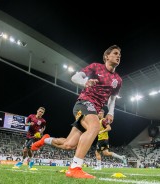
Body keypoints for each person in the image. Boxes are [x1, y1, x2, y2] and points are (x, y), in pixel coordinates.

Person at [31, 45, 122, 179]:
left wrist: (111, 113)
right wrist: (86, 82)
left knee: (69, 145)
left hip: (93, 110)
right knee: (95, 126)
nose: (118, 56)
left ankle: (45, 140)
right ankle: (75, 168)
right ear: (107, 56)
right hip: (84, 103)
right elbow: (75, 77)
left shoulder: (118, 80)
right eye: (115, 53)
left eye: (120, 54)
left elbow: (112, 98)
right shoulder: (96, 67)